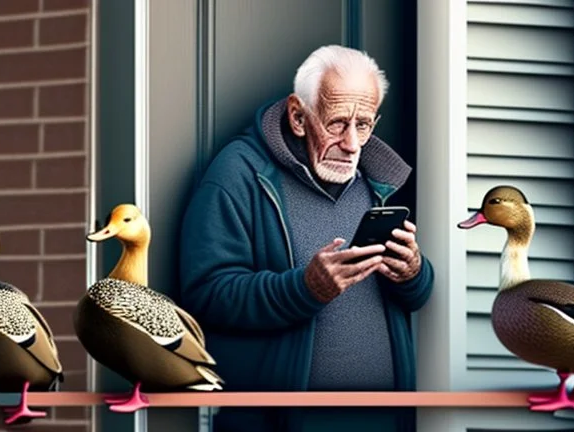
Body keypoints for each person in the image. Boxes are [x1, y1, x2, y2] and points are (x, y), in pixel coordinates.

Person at [178, 44, 435, 432]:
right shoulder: (239, 174)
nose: (351, 144)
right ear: (298, 116)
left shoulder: (377, 183)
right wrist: (305, 288)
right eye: (336, 124)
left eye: (363, 125)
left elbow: (416, 296)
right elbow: (206, 294)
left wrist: (413, 273)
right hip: (283, 422)